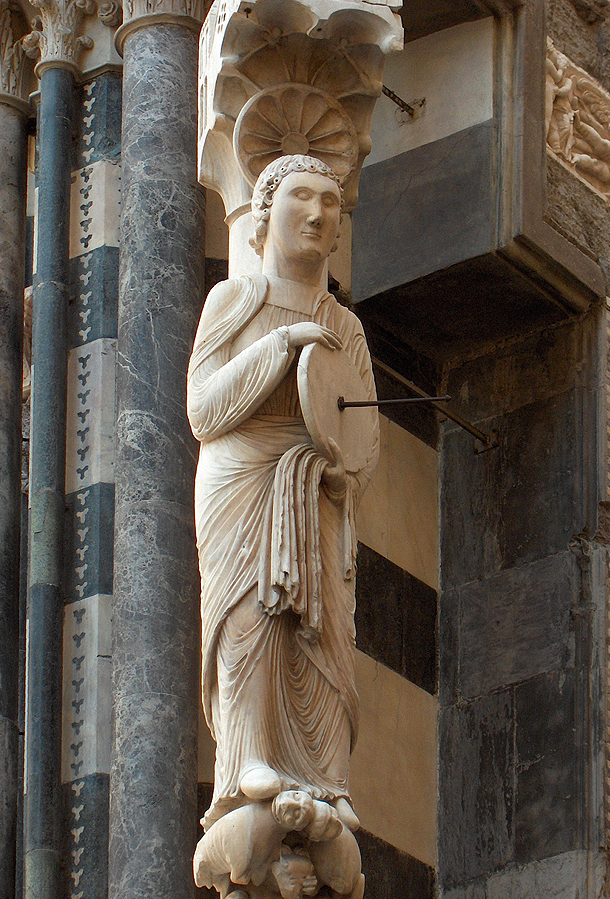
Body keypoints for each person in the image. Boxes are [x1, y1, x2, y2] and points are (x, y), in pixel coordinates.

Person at [187, 154, 379, 836]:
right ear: (265, 212)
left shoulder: (343, 324)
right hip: (243, 475)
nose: (318, 213)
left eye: (330, 203)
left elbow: (363, 429)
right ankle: (248, 759)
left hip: (315, 482)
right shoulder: (235, 301)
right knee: (249, 617)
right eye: (301, 196)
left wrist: (342, 474)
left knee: (323, 626)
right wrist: (282, 346)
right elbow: (204, 411)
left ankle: (326, 778)